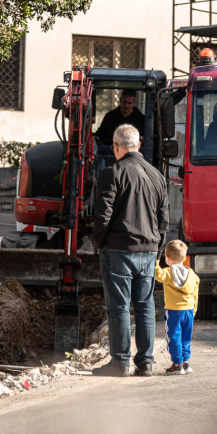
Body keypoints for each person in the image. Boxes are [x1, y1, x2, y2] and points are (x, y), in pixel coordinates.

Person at [92, 124, 169, 377]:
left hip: (119, 250)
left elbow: (102, 216)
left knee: (119, 307)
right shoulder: (157, 175)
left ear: (116, 147)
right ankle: (145, 362)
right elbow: (164, 220)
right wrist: (157, 249)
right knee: (145, 306)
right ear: (139, 144)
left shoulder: (112, 173)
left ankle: (120, 362)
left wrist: (98, 242)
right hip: (149, 250)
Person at [155, 239, 200, 376]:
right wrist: (194, 309)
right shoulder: (192, 274)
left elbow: (157, 274)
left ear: (167, 258)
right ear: (185, 258)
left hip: (174, 311)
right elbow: (195, 293)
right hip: (189, 310)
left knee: (173, 336)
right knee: (186, 337)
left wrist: (156, 262)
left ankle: (177, 364)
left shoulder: (169, 273)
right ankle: (186, 363)